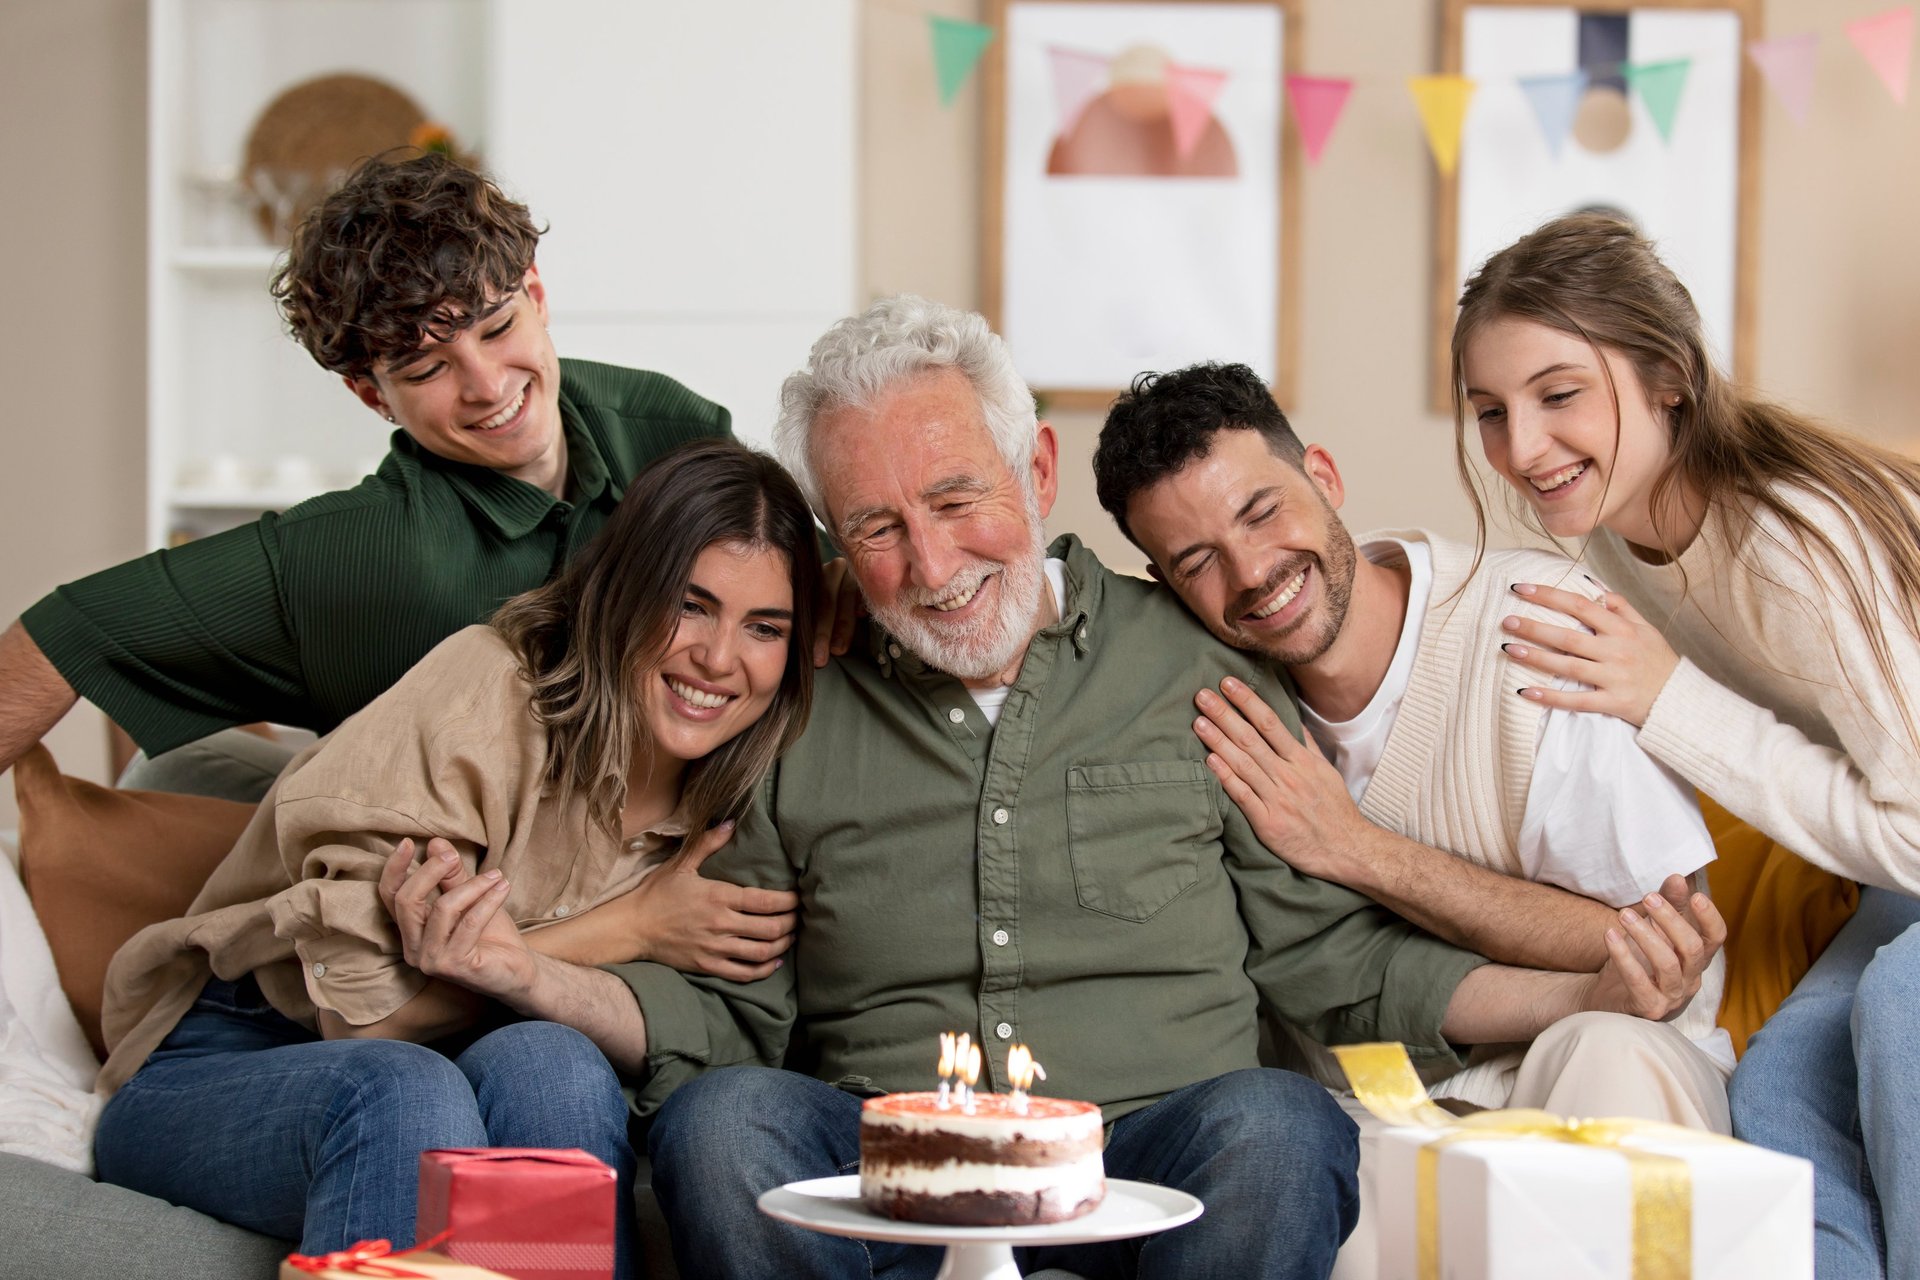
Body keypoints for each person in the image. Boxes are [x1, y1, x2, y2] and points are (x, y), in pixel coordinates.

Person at [622, 296, 1722, 1280]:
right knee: (720, 1120)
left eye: (959, 498)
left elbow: (1337, 963)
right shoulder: (801, 699)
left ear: (1037, 471)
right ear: (835, 544)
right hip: (894, 1170)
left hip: (1148, 1167)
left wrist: (1584, 996)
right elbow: (731, 999)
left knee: (1277, 1124)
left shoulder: (1201, 669)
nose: (932, 561)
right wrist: (536, 963)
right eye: (877, 528)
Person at [90, 440, 823, 1277]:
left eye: (764, 628)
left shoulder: (751, 786)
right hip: (239, 1054)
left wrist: (521, 966)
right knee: (402, 1091)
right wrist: (632, 925)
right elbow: (368, 1016)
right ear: (624, 591)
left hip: (465, 1060)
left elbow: (710, 1043)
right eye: (690, 607)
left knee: (554, 1063)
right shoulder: (492, 692)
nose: (719, 658)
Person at [1, 151, 791, 805]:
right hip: (442, 875)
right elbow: (69, 632)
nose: (486, 384)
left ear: (538, 296)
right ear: (372, 393)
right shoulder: (357, 552)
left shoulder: (667, 424)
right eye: (427, 367)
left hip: (676, 826)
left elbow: (797, 587)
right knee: (176, 778)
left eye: (498, 326)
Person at [1451, 211, 1920, 1279]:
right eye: (1490, 411)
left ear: (1668, 379)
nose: (1522, 448)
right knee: (1780, 1087)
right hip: (1887, 884)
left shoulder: (1796, 545)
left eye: (1559, 394)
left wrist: (1671, 702)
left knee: (1900, 1010)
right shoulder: (1621, 538)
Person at [1092, 359, 1733, 1129]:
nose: (1253, 571)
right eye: (1197, 562)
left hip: (1588, 1069)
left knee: (1610, 1056)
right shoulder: (1212, 713)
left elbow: (1660, 946)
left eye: (1261, 512)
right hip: (1378, 1105)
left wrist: (1357, 848)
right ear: (1165, 585)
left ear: (1325, 477)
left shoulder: (1539, 630)